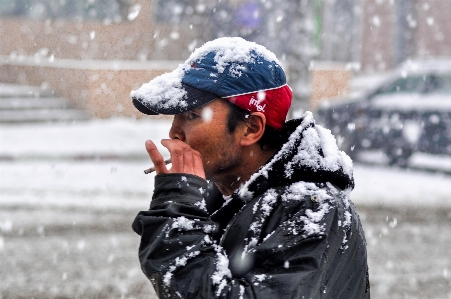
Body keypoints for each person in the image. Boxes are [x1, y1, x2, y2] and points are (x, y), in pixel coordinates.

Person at [131, 37, 370, 299]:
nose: (174, 133)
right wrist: (178, 212)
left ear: (251, 128)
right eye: (177, 115)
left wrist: (178, 217)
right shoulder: (220, 198)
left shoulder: (312, 207)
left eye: (192, 116)